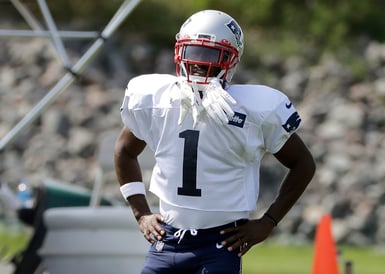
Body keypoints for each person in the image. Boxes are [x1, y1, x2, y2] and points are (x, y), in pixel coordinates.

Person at [114, 9, 316, 274]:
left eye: (210, 54)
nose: (199, 62)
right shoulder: (157, 99)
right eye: (193, 52)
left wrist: (268, 221)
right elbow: (124, 152)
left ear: (231, 59)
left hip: (221, 244)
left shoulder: (253, 109)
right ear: (179, 52)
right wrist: (141, 213)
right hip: (168, 240)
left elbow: (303, 164)